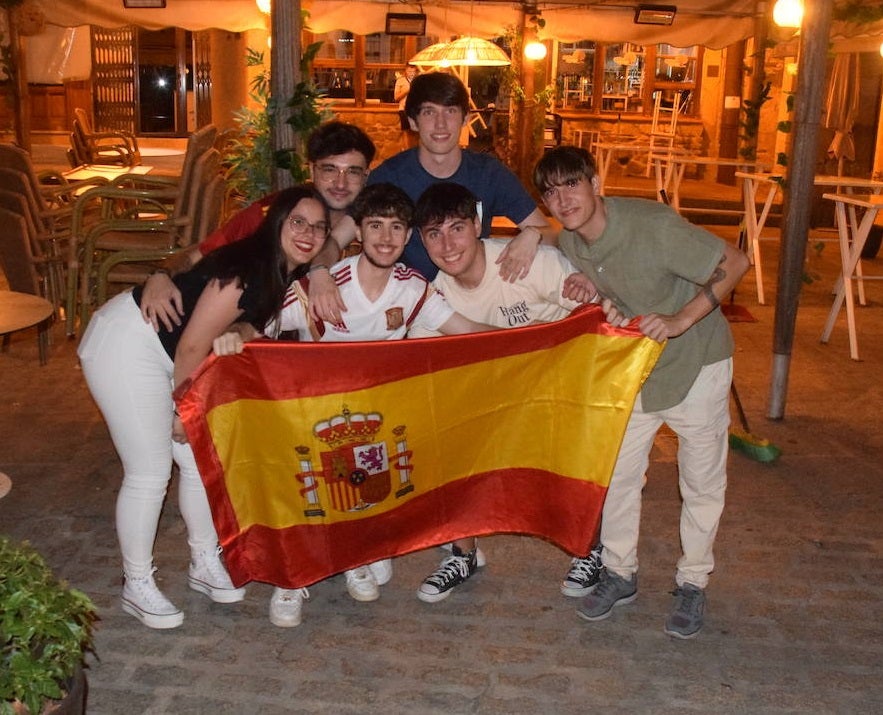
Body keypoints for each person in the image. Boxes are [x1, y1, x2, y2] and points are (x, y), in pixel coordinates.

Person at [214, 183, 495, 627]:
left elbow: (465, 328)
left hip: (369, 419)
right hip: (309, 413)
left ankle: (354, 557)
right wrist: (238, 334)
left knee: (362, 489)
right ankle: (292, 580)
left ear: (408, 239)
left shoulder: (412, 289)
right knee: (304, 494)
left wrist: (545, 332)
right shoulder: (324, 287)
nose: (386, 238)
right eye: (376, 226)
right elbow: (262, 321)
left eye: (397, 228)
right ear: (360, 231)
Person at [77, 186, 330, 630]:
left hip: (164, 352)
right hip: (126, 341)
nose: (308, 233)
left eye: (318, 226)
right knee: (150, 470)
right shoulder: (245, 269)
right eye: (298, 222)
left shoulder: (281, 273)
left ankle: (202, 560)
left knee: (199, 459)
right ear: (277, 224)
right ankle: (136, 583)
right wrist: (185, 409)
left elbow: (233, 332)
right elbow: (194, 345)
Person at [533, 146, 750, 639]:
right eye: (550, 192)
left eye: (572, 184)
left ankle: (693, 581)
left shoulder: (651, 225)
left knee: (700, 482)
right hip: (636, 370)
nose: (563, 199)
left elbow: (735, 261)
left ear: (595, 183)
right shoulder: (570, 241)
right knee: (618, 475)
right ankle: (619, 572)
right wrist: (575, 278)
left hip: (697, 364)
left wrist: (679, 319)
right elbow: (550, 242)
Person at [409, 181, 604, 603]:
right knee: (443, 426)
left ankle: (591, 547)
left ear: (477, 224)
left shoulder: (530, 262)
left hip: (558, 385)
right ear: (421, 241)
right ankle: (463, 551)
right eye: (433, 234)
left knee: (584, 440)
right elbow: (422, 368)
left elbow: (597, 318)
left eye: (457, 228)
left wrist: (589, 297)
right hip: (495, 394)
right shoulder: (434, 296)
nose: (447, 244)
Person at [307, 71, 553, 324]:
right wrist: (318, 272)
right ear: (413, 122)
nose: (440, 124)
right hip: (414, 309)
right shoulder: (390, 176)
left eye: (450, 111)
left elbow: (551, 233)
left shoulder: (488, 173)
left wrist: (533, 235)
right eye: (428, 112)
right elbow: (337, 239)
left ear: (465, 118)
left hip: (478, 303)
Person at [139, 121, 376, 333]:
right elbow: (198, 254)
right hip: (195, 332)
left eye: (352, 172)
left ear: (366, 177)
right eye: (330, 170)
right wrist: (160, 275)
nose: (341, 183)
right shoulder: (268, 216)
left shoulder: (373, 229)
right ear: (311, 170)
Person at [394, 64, 419, 150]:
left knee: (417, 131)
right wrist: (407, 90)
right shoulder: (400, 81)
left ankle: (416, 151)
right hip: (404, 109)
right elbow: (396, 97)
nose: (411, 73)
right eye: (409, 71)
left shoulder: (418, 81)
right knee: (406, 131)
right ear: (405, 71)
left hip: (416, 109)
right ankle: (407, 151)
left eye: (413, 71)